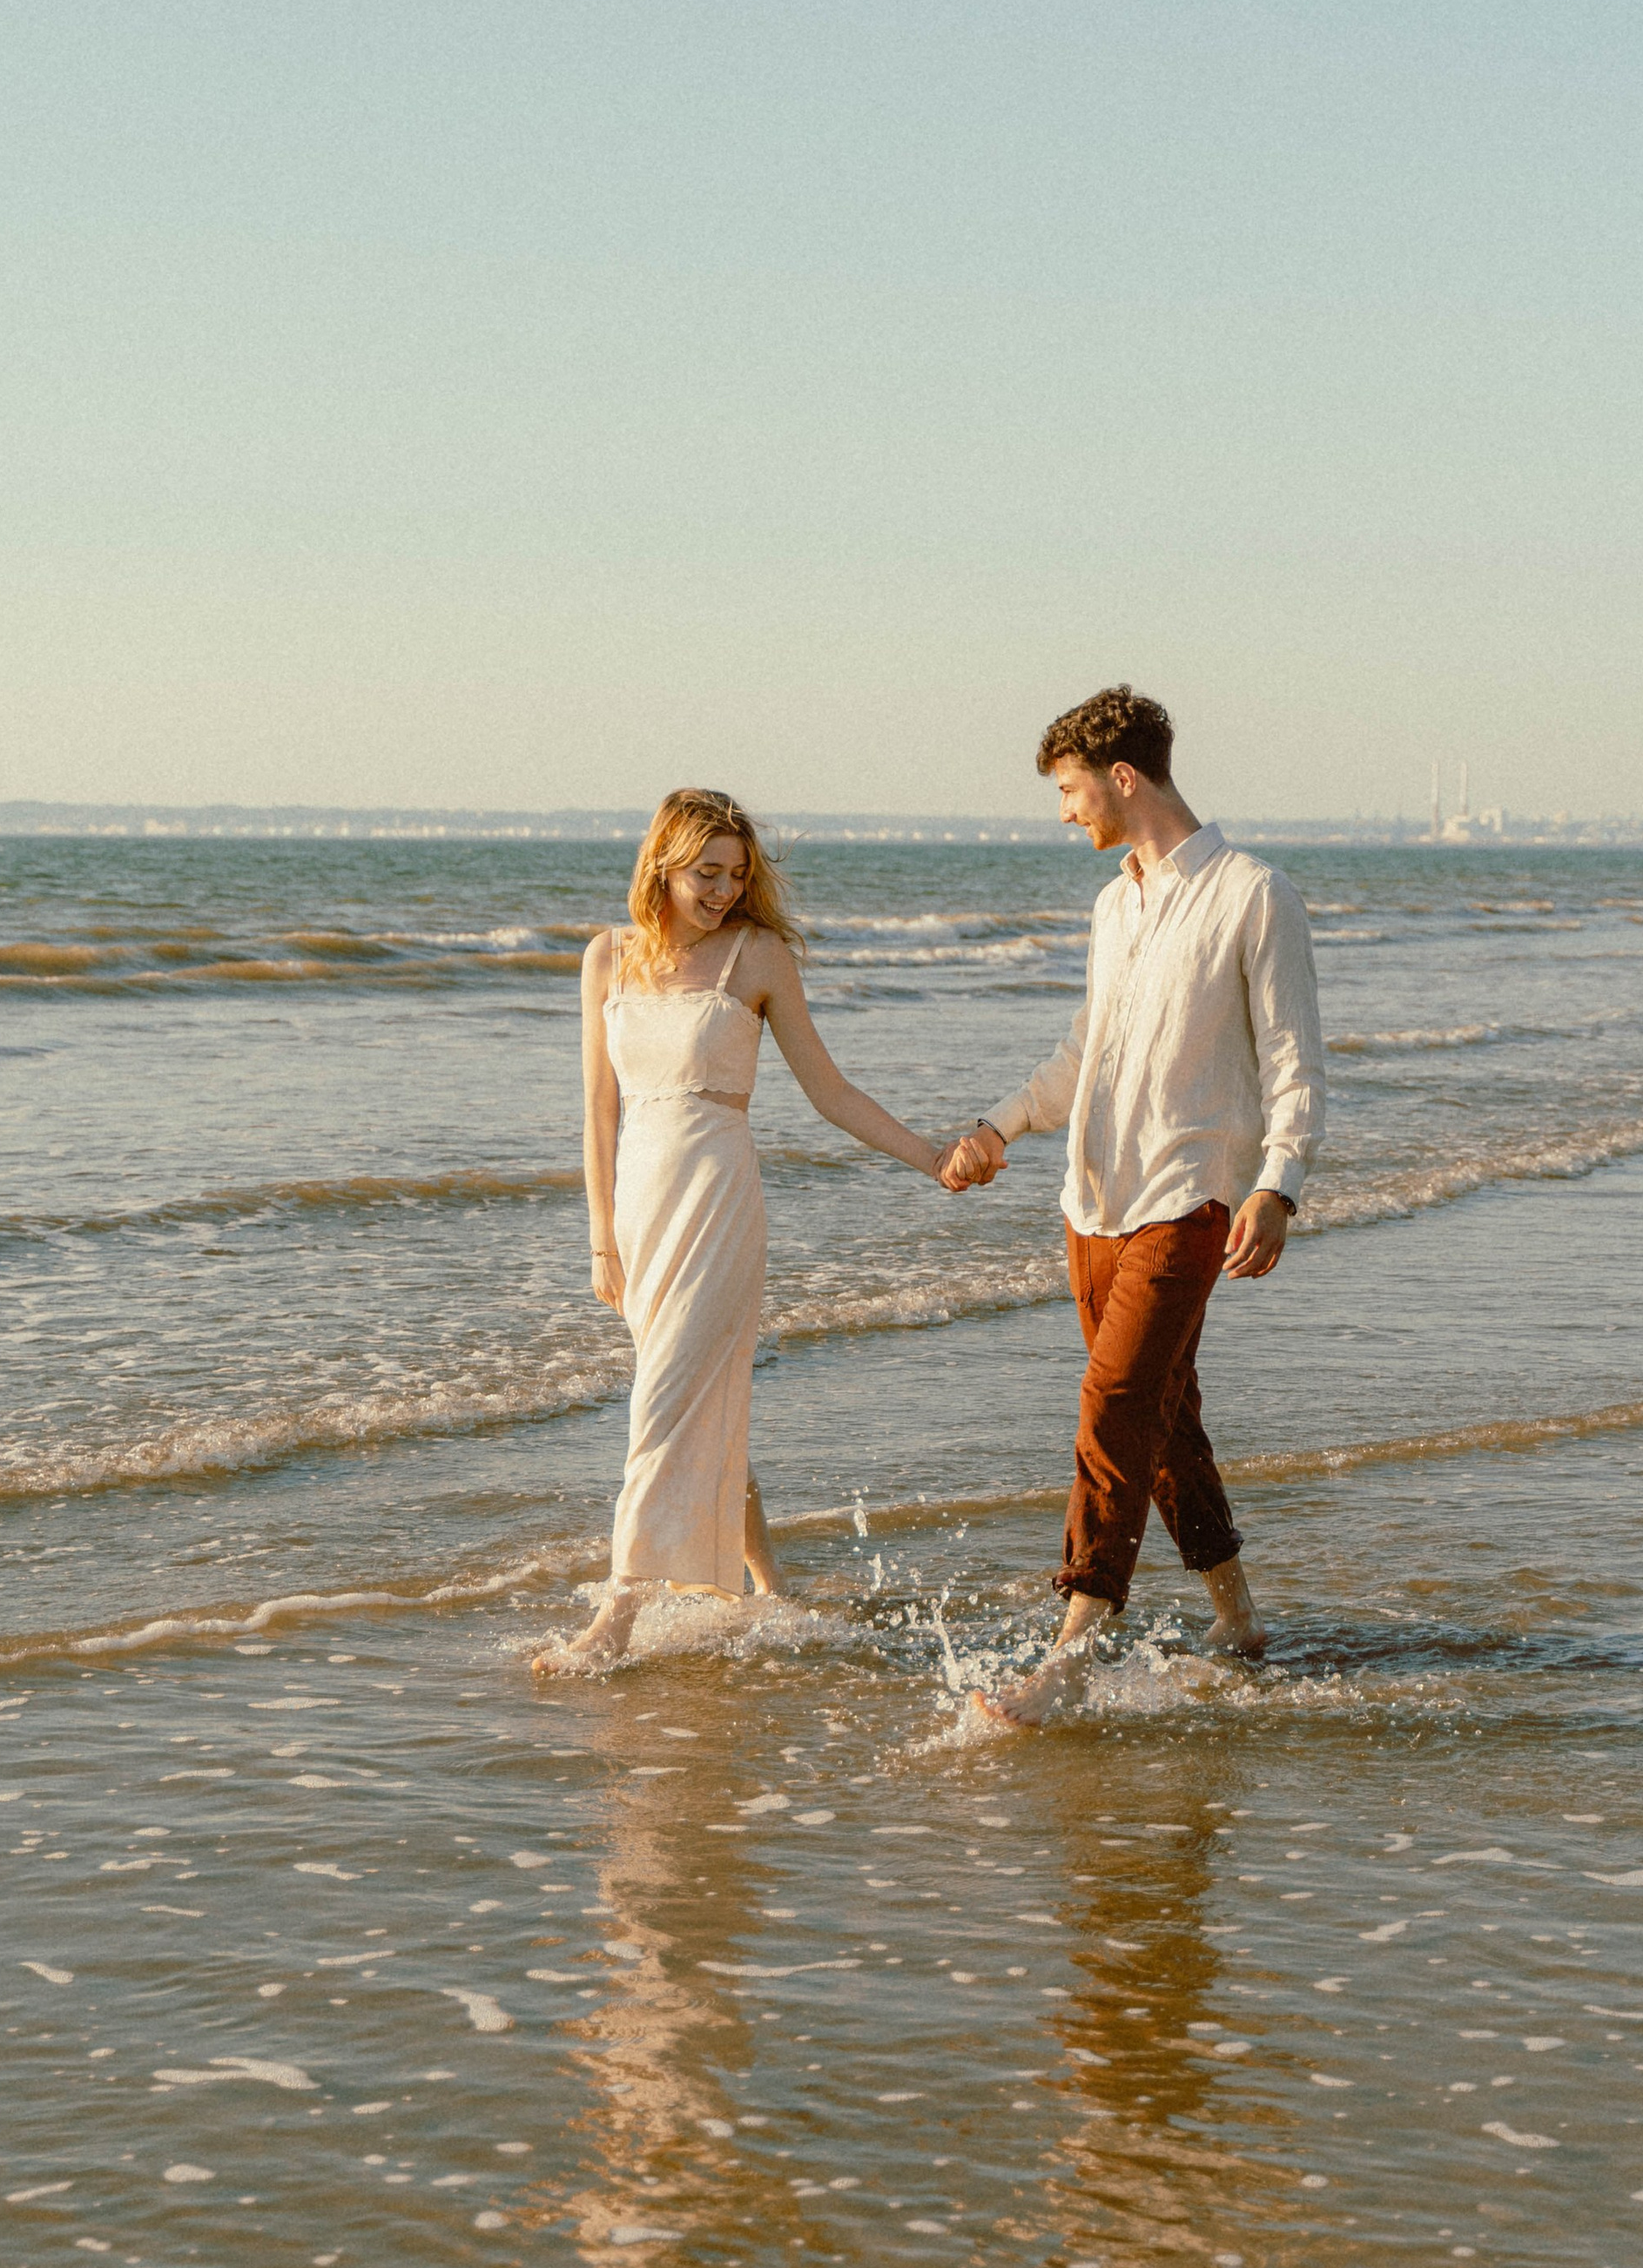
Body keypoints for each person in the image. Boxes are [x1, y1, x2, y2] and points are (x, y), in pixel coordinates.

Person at [940, 686, 1326, 1725]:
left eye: (1069, 790)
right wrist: (1002, 1123)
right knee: (1163, 1416)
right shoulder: (1114, 904)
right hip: (1092, 1198)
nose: (1064, 812)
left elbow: (1294, 1057)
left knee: (1113, 1405)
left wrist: (1278, 1182)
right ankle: (1235, 1612)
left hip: (1190, 1199)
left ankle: (1074, 1641)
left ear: (1122, 777)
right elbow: (1087, 1051)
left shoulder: (1253, 893)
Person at [534, 787, 955, 1674]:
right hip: (641, 1212)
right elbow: (596, 1114)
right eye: (706, 873)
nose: (723, 890)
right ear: (662, 866)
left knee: (663, 1406)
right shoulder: (605, 959)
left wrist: (930, 1156)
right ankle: (768, 1584)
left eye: (736, 874)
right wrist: (600, 1237)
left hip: (719, 1201)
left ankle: (615, 1616)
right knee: (695, 1400)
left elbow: (829, 1092)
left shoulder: (757, 959)